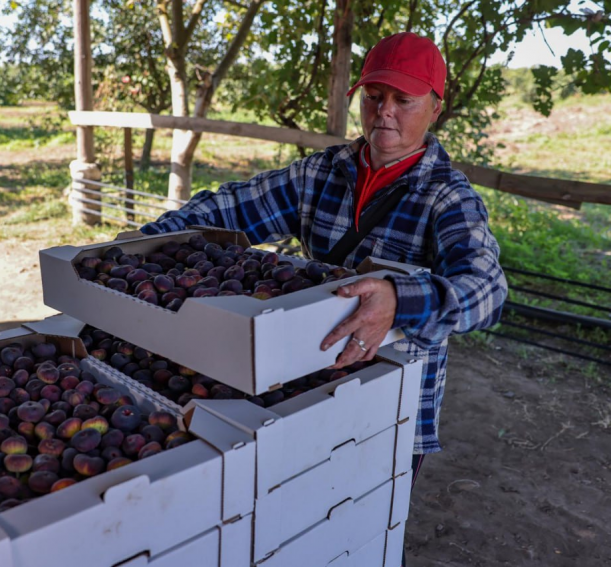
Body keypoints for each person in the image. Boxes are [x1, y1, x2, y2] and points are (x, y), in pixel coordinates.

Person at [140, 32, 508, 565]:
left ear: (435, 107)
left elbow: (488, 291)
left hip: (389, 405)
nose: (384, 112)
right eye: (374, 96)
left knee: (367, 531)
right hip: (303, 385)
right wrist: (144, 240)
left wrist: (399, 299)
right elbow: (229, 209)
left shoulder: (448, 197)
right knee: (295, 527)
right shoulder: (320, 173)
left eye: (403, 100)